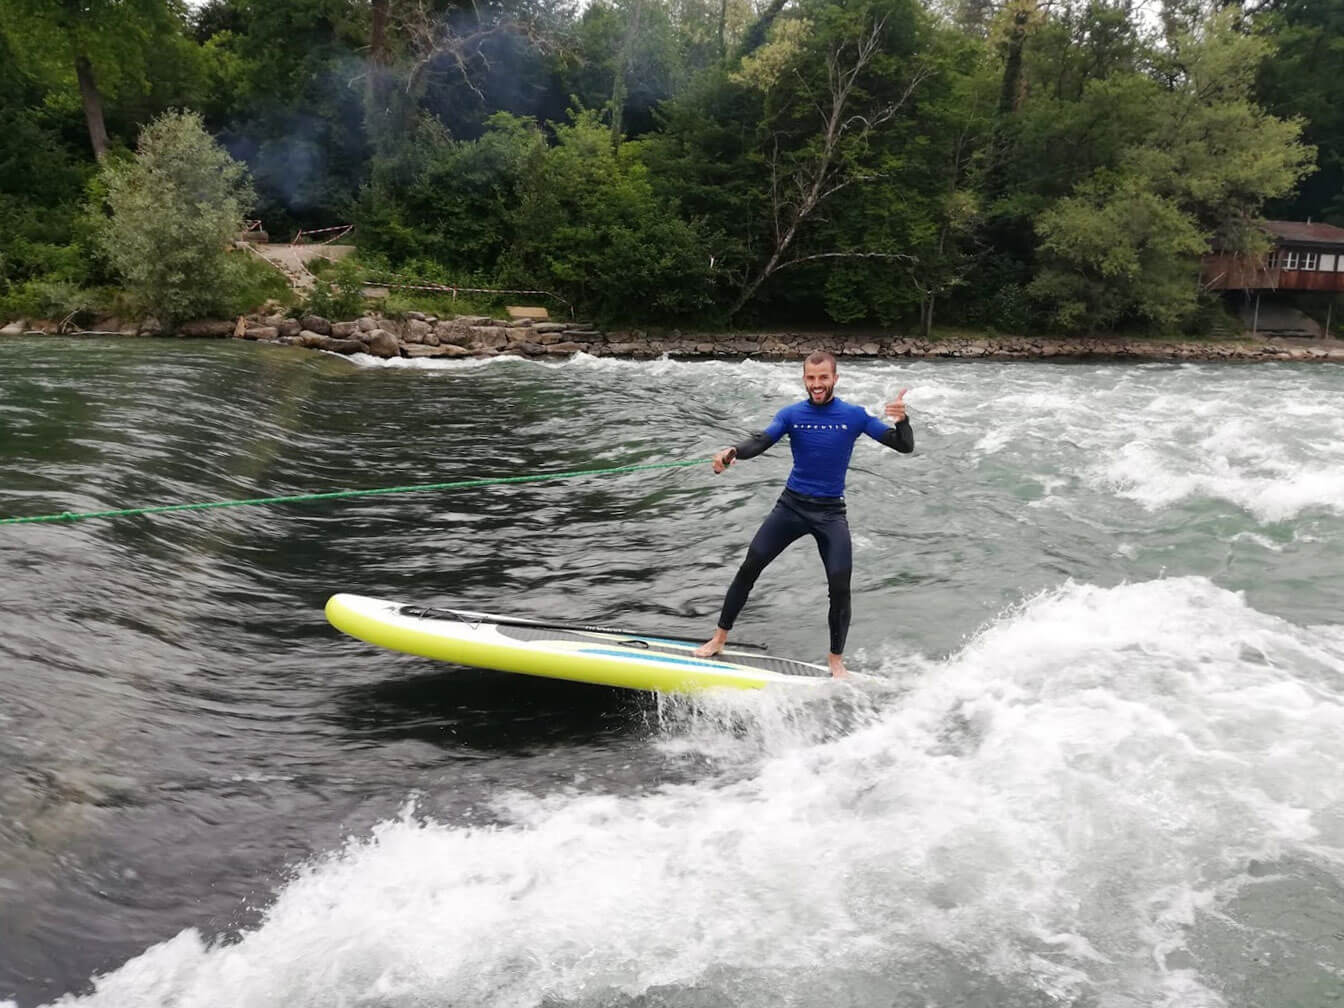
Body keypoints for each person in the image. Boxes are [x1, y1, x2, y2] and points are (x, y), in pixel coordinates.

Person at [694, 350, 913, 677]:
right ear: (805, 379)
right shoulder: (791, 414)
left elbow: (903, 445)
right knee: (750, 566)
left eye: (823, 377)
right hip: (791, 506)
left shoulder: (854, 415)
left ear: (835, 379)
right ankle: (719, 638)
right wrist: (733, 451)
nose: (817, 384)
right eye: (811, 378)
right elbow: (760, 442)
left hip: (830, 513)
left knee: (840, 586)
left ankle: (836, 660)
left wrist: (902, 421)